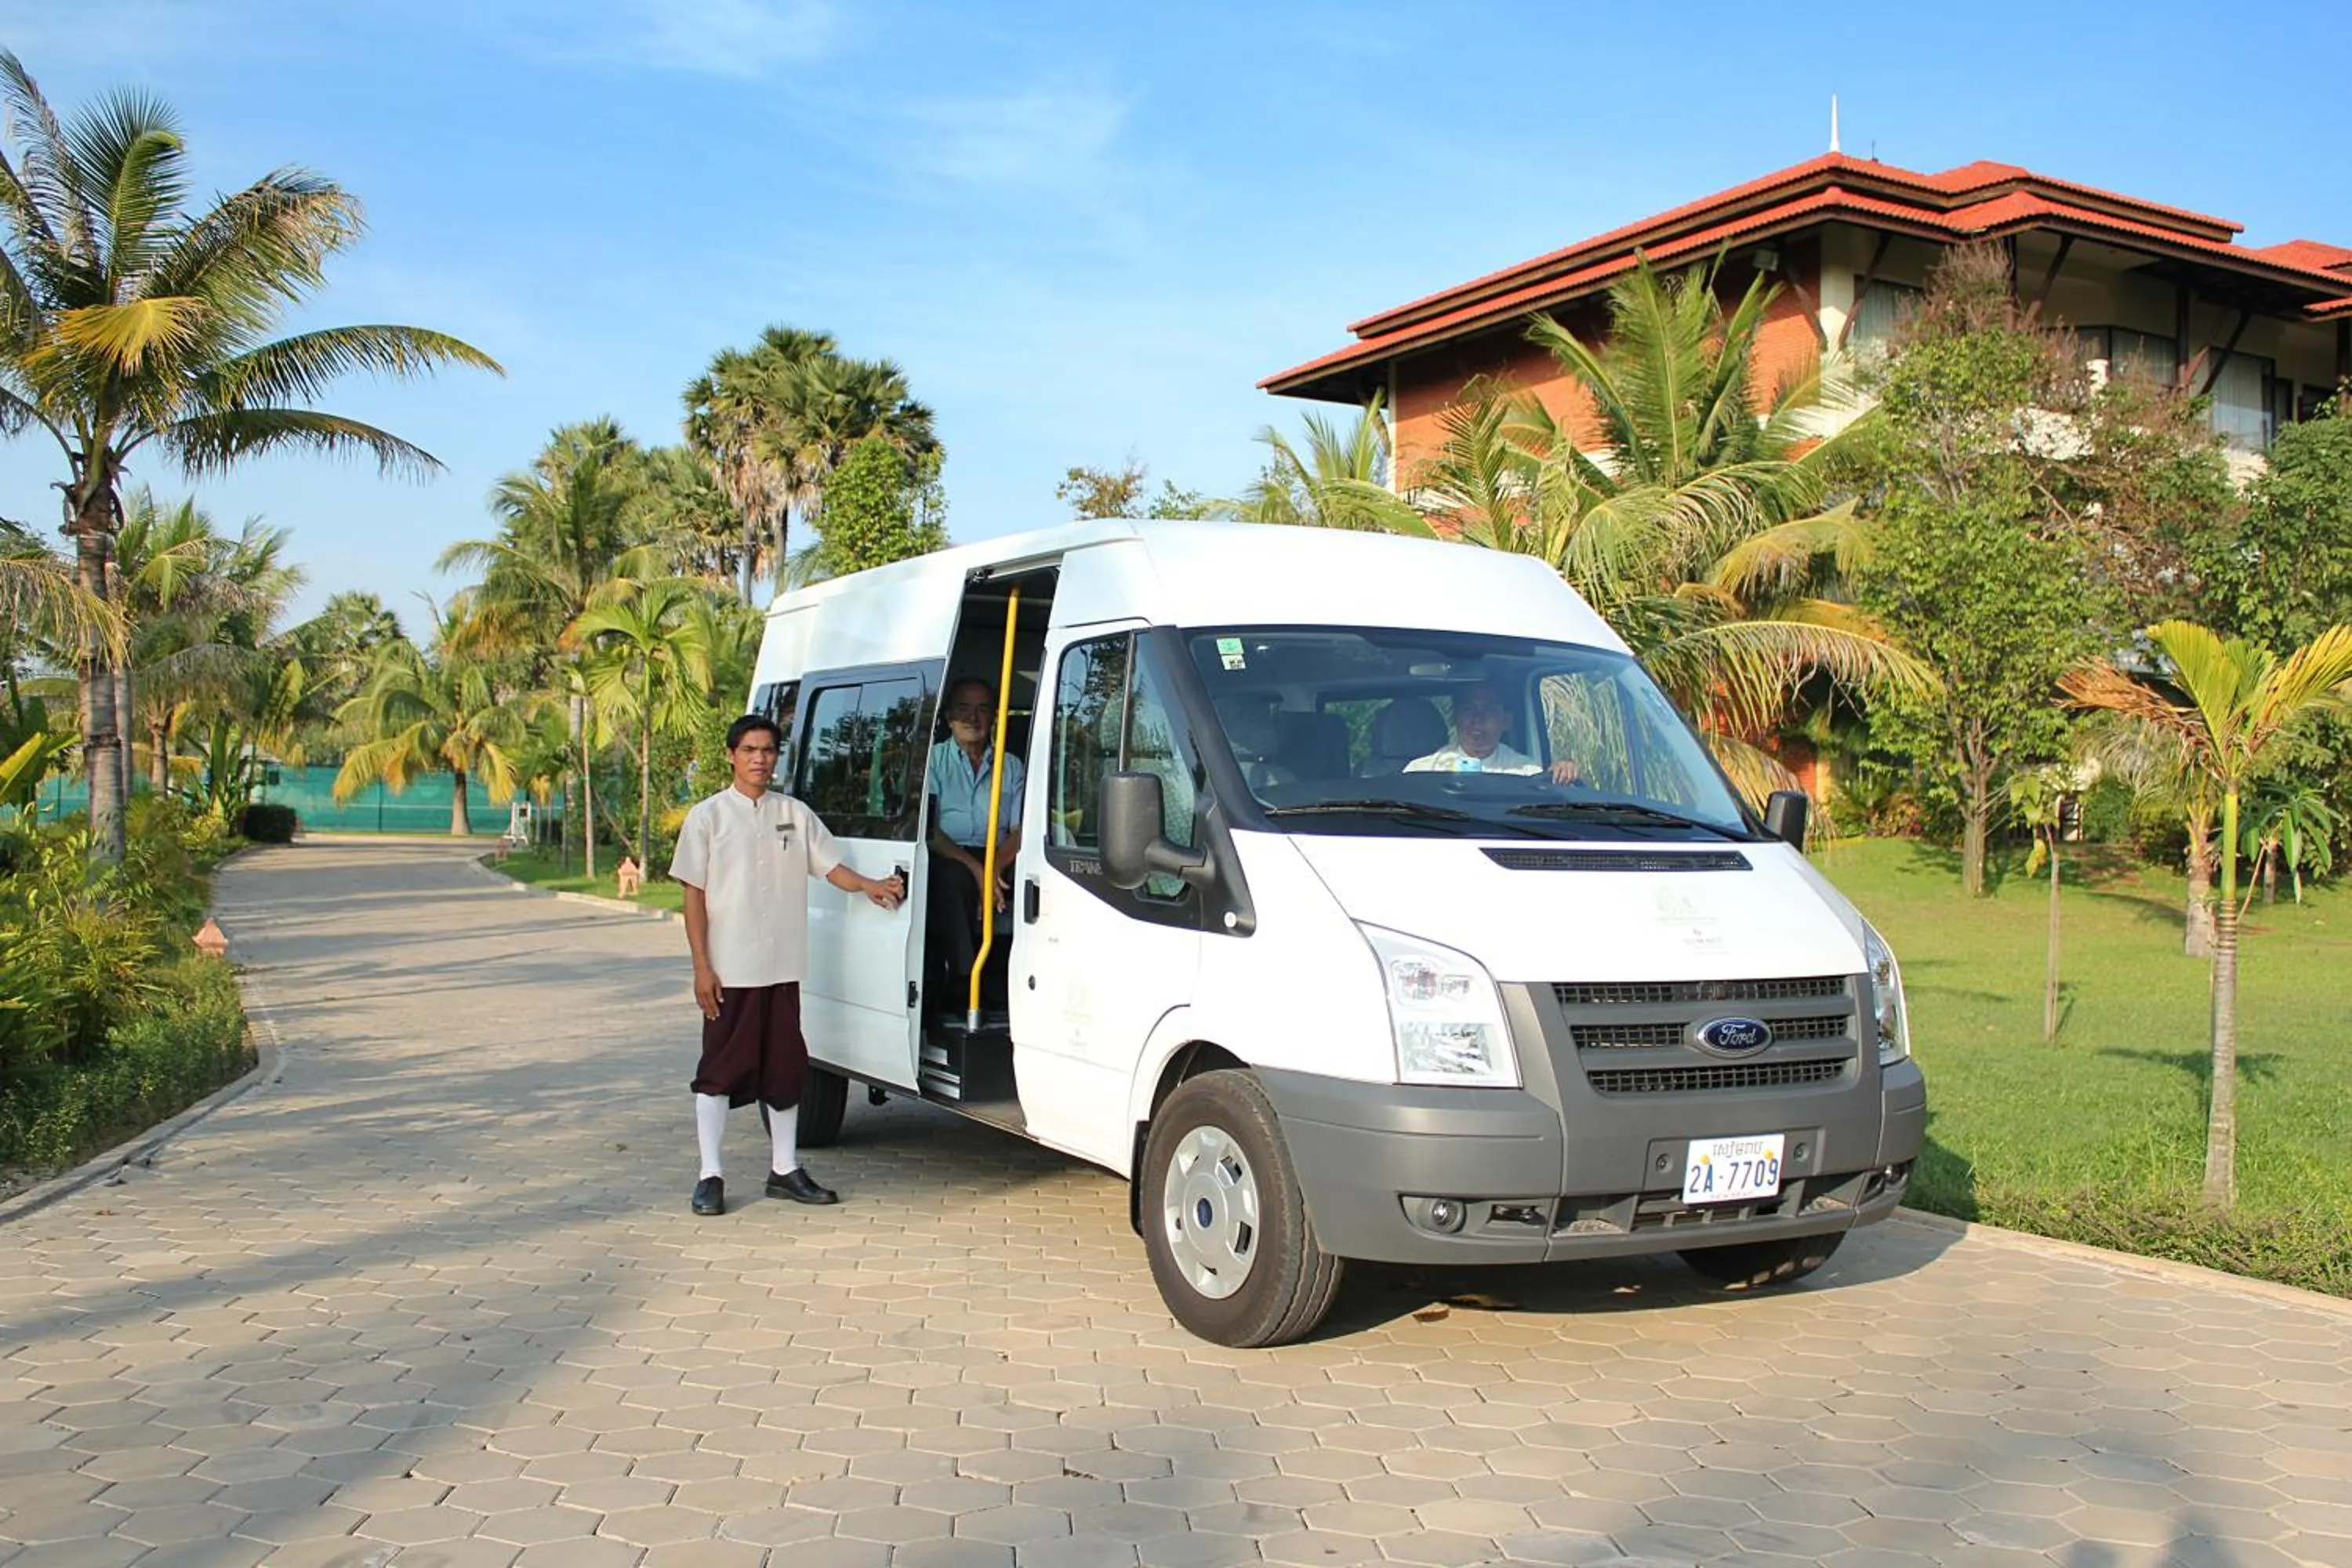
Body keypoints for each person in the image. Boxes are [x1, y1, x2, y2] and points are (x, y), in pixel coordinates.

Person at [671, 713, 904, 1218]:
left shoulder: (794, 814)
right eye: (749, 750)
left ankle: (784, 1168)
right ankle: (710, 1175)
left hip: (782, 969)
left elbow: (830, 867)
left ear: (778, 757)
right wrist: (702, 967)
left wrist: (869, 886)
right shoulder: (707, 818)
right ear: (731, 756)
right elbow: (694, 896)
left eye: (768, 751)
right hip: (729, 971)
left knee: (785, 1067)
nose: (760, 759)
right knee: (719, 1070)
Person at [926, 677, 1024, 1013]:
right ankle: (965, 983)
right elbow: (930, 830)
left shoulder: (1010, 765)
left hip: (999, 854)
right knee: (954, 879)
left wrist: (993, 868)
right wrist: (978, 871)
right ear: (949, 717)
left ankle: (1015, 983)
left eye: (983, 709)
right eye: (964, 709)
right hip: (950, 853)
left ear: (995, 716)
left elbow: (1020, 830)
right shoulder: (933, 761)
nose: (973, 717)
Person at [1405, 681, 1581, 783]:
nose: (1477, 719)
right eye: (1468, 709)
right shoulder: (1421, 772)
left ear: (1506, 721)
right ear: (1455, 717)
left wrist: (1562, 775)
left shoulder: (1526, 772)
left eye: (1488, 710)